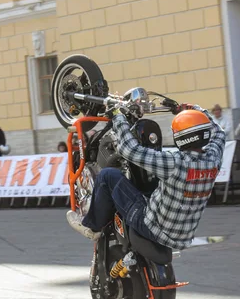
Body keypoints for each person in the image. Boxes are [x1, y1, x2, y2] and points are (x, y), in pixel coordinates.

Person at [66, 105, 226, 250]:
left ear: (181, 137)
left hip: (152, 227)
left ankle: (92, 227)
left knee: (108, 175)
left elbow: (128, 149)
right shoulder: (213, 159)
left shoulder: (174, 162)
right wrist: (198, 110)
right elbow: (219, 132)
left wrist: (118, 116)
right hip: (183, 237)